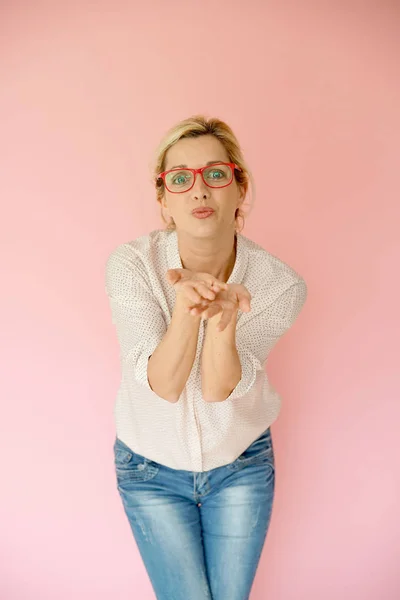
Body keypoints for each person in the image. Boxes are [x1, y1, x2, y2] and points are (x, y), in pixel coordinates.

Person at [105, 115, 307, 600]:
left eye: (216, 174)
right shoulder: (131, 264)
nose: (199, 190)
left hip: (240, 462)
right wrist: (186, 311)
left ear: (240, 189)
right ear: (164, 202)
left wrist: (223, 322)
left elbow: (218, 391)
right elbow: (164, 387)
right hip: (149, 470)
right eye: (180, 179)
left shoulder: (280, 285)